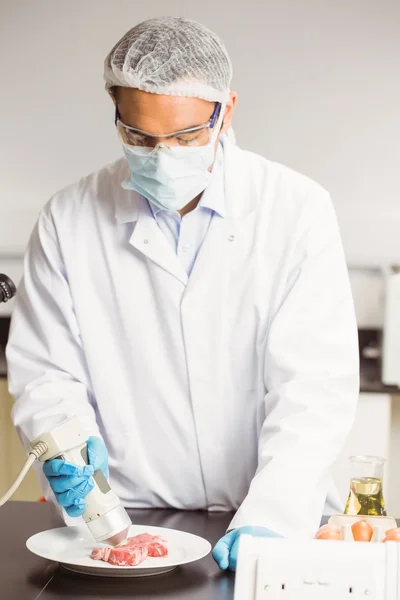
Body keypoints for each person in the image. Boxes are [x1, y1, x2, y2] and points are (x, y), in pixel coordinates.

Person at [6, 16, 359, 571]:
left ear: (227, 110)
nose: (163, 156)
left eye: (187, 136)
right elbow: (47, 371)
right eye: (140, 138)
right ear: (114, 109)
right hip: (128, 521)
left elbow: (314, 388)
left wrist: (274, 512)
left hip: (269, 511)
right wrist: (66, 447)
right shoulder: (68, 218)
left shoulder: (296, 209)